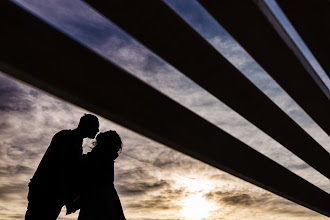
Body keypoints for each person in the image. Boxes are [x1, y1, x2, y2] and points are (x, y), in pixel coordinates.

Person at [25, 114, 99, 220]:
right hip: (47, 193)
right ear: (87, 126)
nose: (97, 130)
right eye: (95, 127)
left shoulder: (74, 141)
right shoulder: (66, 137)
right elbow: (56, 166)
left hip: (52, 194)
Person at [77, 130, 126, 220]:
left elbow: (90, 176)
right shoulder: (104, 157)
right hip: (102, 197)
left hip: (98, 197)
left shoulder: (99, 156)